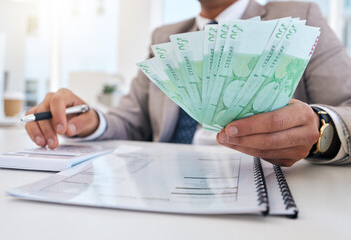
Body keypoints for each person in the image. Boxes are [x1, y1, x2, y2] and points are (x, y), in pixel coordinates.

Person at [25, 0, 351, 166]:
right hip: (164, 180)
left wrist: (321, 130)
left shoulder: (301, 14)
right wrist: (90, 119)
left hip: (264, 177)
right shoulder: (164, 37)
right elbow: (132, 119)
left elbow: (347, 106)